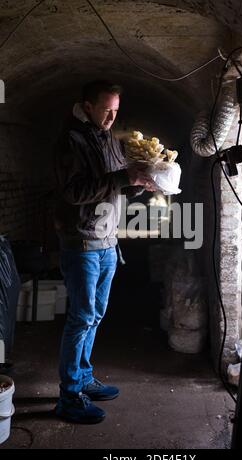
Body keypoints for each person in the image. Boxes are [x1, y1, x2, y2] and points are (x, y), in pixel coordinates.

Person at [53, 80, 155, 424]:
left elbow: (117, 184)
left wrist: (139, 183)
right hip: (81, 244)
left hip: (108, 242)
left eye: (116, 110)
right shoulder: (71, 140)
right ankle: (68, 396)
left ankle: (83, 378)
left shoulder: (109, 140)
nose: (112, 116)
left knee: (94, 317)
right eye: (105, 109)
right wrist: (120, 178)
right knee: (80, 318)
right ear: (87, 106)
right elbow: (74, 192)